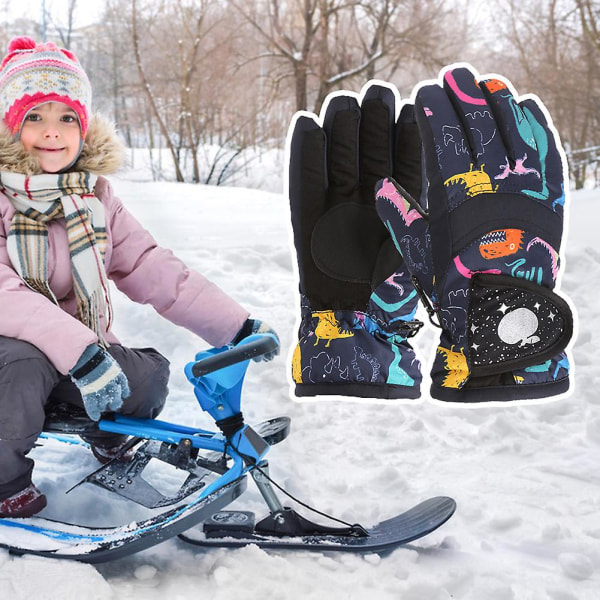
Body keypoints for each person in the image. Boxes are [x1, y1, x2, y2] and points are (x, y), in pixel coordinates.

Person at [0, 37, 278, 519]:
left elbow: (151, 266)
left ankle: (106, 432)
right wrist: (79, 352)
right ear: (10, 126)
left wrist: (237, 326)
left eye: (66, 117)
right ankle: (4, 479)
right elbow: (7, 295)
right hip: (11, 355)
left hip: (79, 354)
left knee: (148, 376)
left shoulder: (95, 199)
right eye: (34, 117)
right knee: (22, 367)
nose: (52, 132)